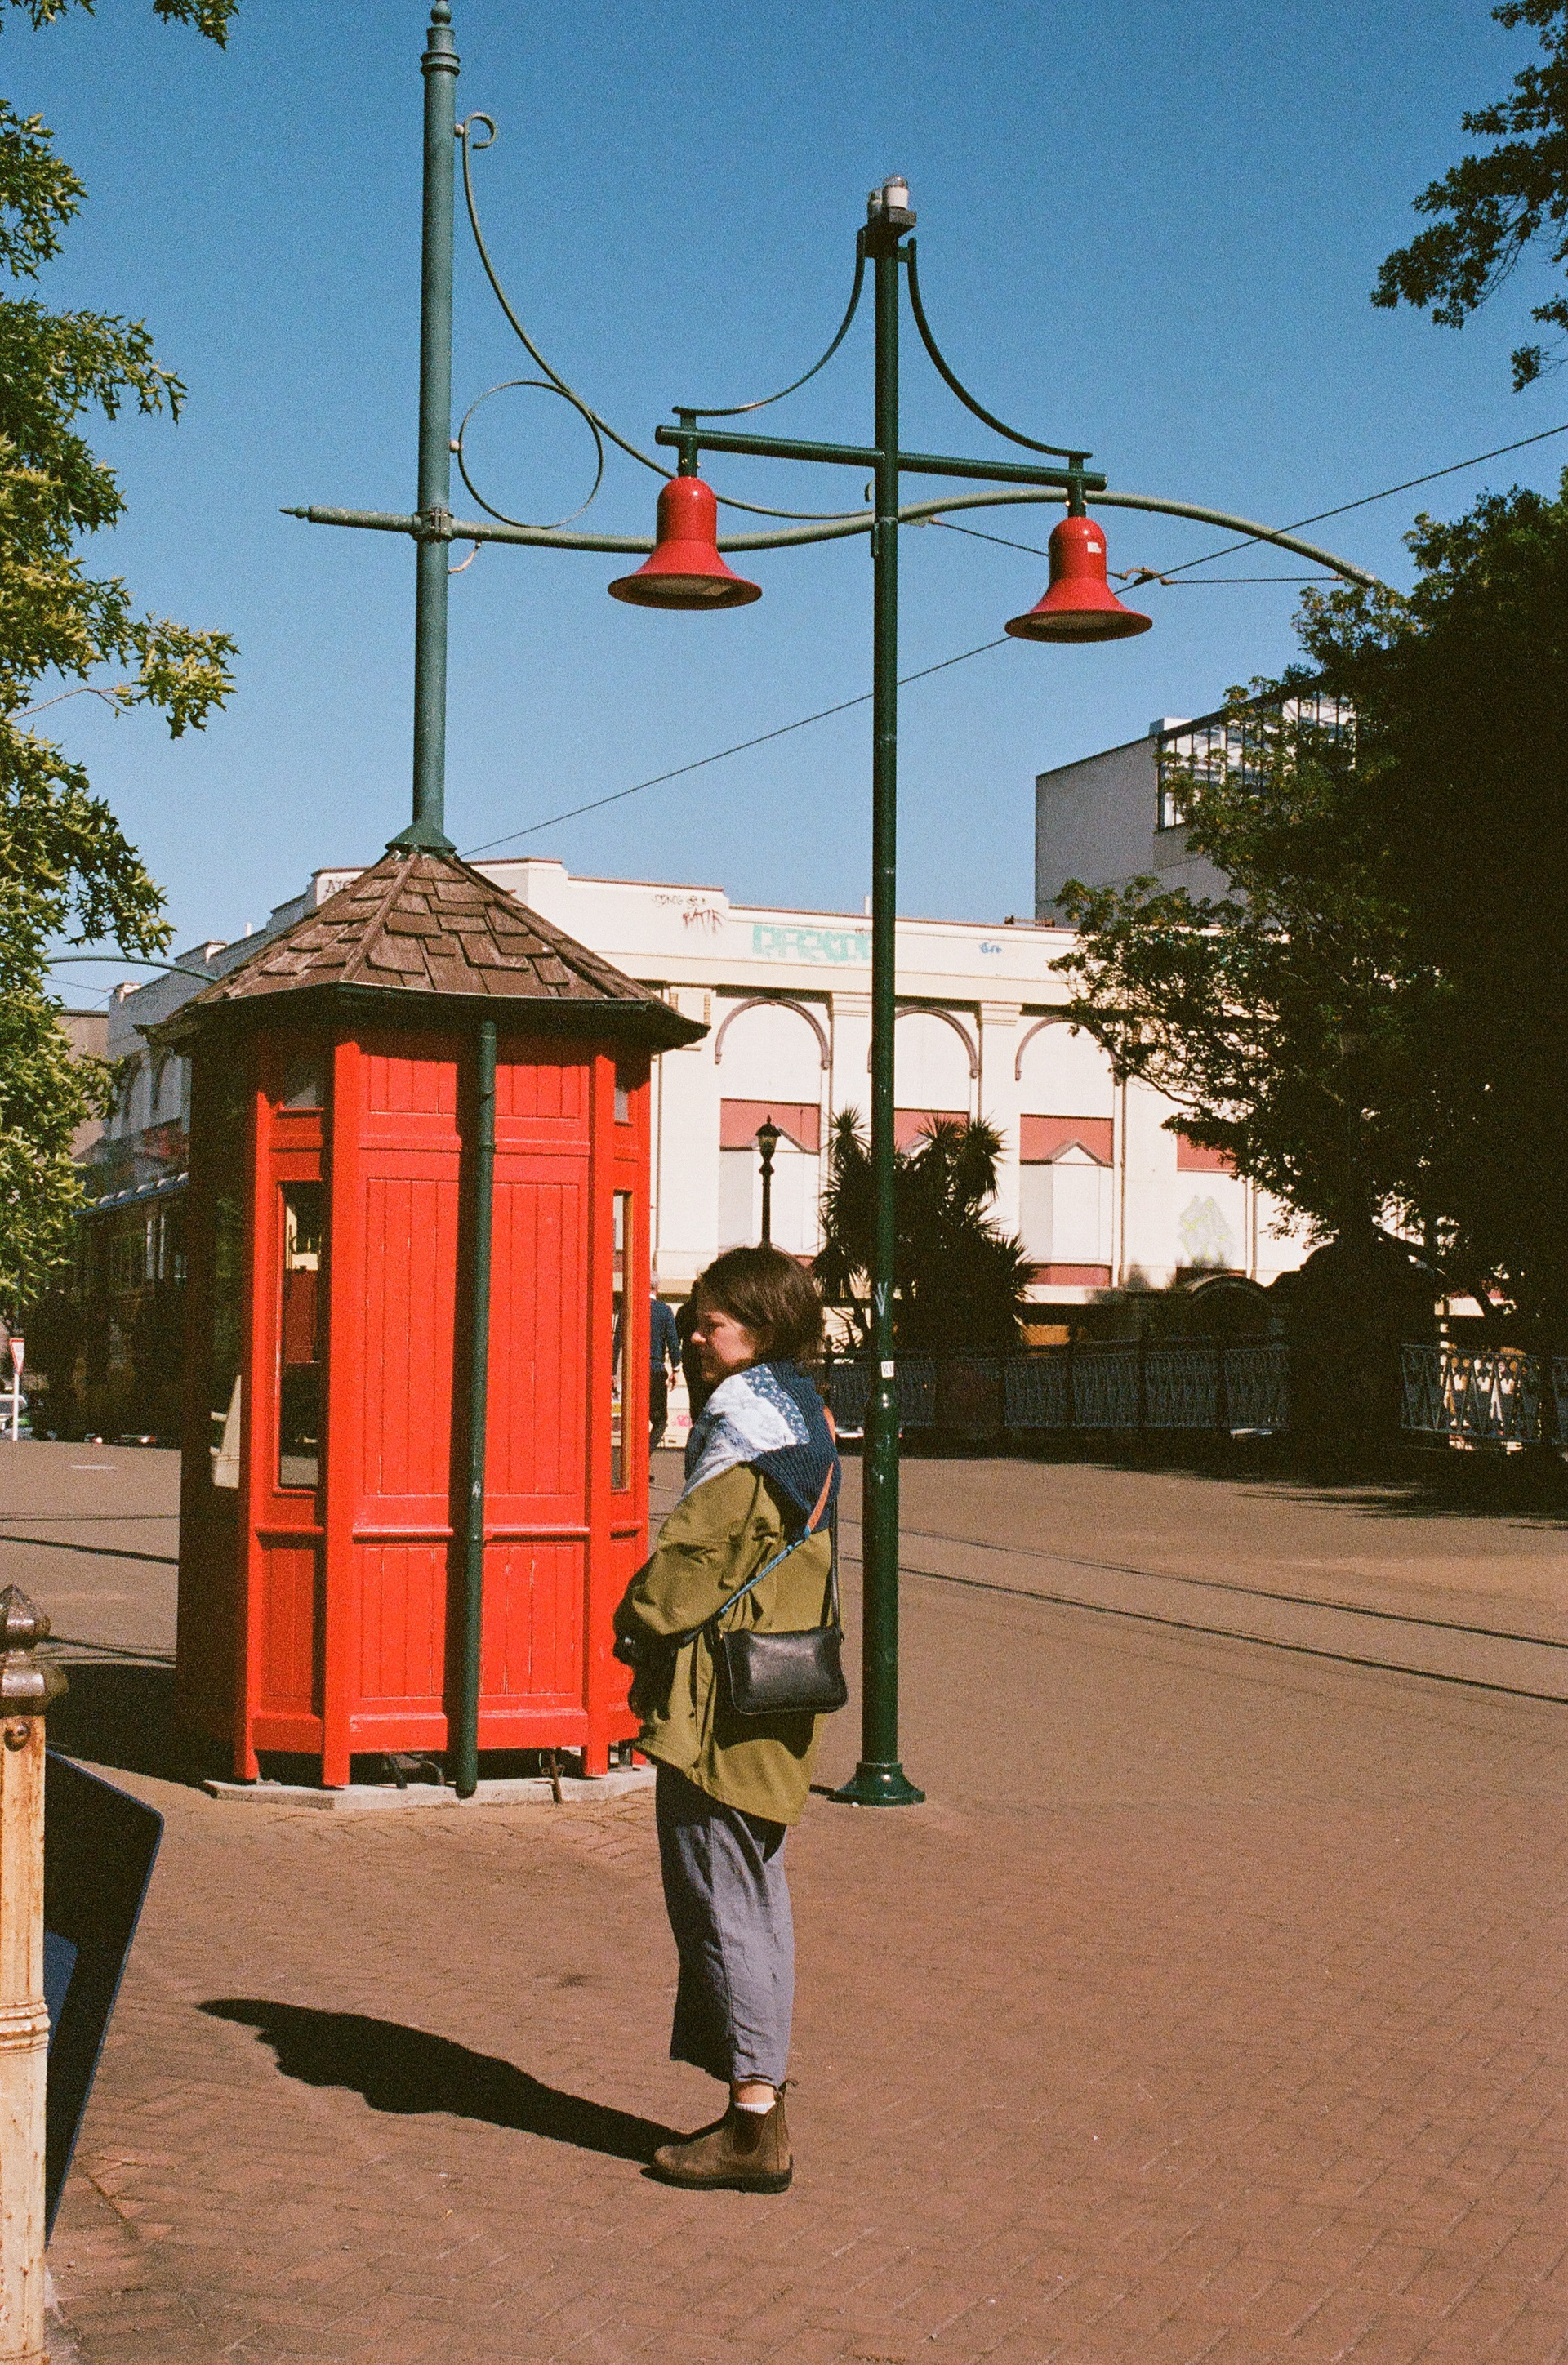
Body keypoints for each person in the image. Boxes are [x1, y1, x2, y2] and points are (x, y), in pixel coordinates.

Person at [614, 1245, 839, 2194]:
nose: (694, 1338)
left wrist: (630, 1616)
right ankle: (758, 2105)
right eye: (695, 1321)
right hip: (771, 1693)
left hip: (720, 1706)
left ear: (765, 1330)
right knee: (759, 1902)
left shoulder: (747, 1429)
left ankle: (754, 2127)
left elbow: (682, 1579)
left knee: (727, 1907)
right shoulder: (802, 1415)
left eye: (713, 1324)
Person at [648, 1278, 680, 1455]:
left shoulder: (629, 1308)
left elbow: (617, 1342)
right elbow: (673, 1343)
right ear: (657, 1288)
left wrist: (613, 1372)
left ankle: (633, 1468)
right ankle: (642, 1459)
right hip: (655, 1370)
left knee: (635, 1422)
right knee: (660, 1421)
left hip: (633, 1373)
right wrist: (676, 1368)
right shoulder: (664, 1310)